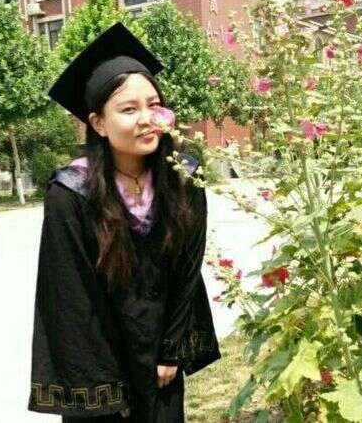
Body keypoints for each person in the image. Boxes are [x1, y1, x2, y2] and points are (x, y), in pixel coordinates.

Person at [27, 22, 221, 422]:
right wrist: (109, 390)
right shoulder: (71, 194)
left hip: (161, 363)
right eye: (129, 109)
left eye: (154, 105)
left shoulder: (183, 179)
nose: (147, 118)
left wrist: (171, 351)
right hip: (99, 364)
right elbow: (71, 300)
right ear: (98, 123)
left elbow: (187, 271)